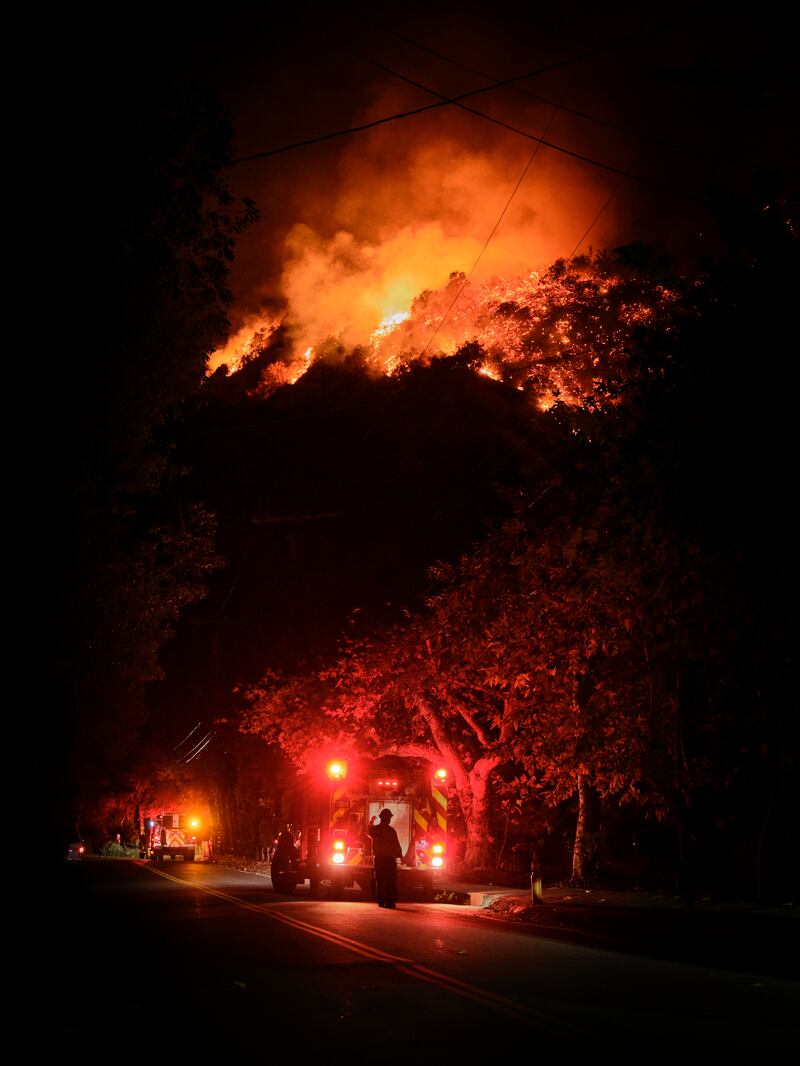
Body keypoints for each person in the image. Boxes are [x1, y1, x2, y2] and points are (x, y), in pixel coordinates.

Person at [368, 809, 403, 908]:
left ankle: (380, 900)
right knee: (390, 881)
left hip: (378, 859)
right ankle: (389, 901)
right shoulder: (391, 831)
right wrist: (400, 855)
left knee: (380, 880)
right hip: (389, 860)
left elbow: (368, 831)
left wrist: (371, 821)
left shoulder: (375, 830)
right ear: (388, 819)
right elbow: (396, 845)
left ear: (381, 818)